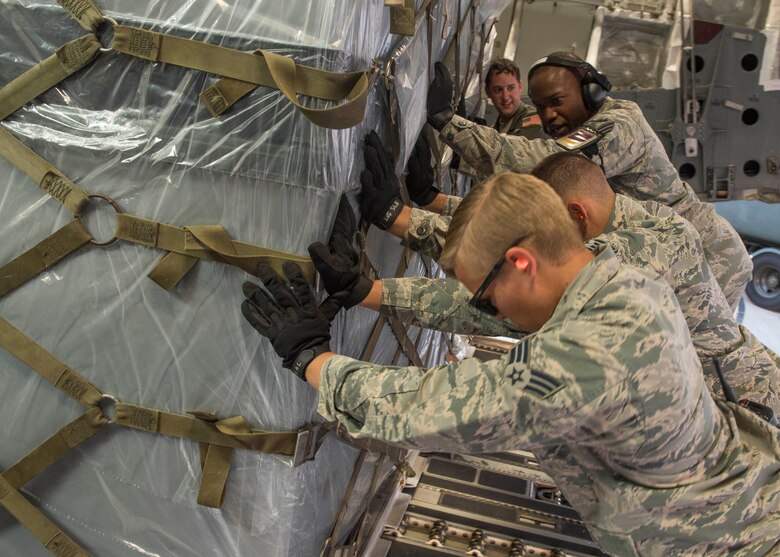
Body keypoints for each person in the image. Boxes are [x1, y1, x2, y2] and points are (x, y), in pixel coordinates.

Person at [241, 172, 780, 555]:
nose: (489, 311)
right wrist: (371, 291)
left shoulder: (591, 361)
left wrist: (313, 360)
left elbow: (448, 407)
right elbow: (501, 315)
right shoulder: (617, 279)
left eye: (488, 296)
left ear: (522, 262)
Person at [315, 148, 780, 413]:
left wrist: (374, 281)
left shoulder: (631, 275)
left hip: (734, 422)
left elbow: (498, 300)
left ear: (577, 216)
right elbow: (509, 245)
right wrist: (418, 211)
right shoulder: (655, 228)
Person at [417, 52, 753, 309]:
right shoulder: (590, 130)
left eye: (557, 101)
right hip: (671, 250)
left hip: (712, 256)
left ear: (591, 92)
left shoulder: (619, 125)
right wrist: (459, 151)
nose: (548, 115)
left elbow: (545, 164)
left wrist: (449, 124)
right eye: (541, 106)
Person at [483, 58, 544, 138]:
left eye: (511, 88)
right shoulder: (493, 130)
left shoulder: (534, 119)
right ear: (488, 92)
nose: (505, 97)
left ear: (520, 86)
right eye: (498, 90)